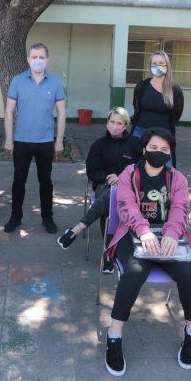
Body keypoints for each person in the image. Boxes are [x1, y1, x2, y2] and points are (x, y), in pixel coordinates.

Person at [103, 127, 191, 376]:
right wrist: (144, 231)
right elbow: (126, 206)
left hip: (168, 236)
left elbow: (180, 210)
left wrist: (170, 234)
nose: (159, 153)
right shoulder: (129, 174)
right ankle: (113, 336)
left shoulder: (177, 179)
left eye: (165, 150)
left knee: (189, 274)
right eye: (154, 148)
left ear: (170, 153)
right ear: (144, 149)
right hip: (134, 234)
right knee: (135, 272)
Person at [57, 107, 141, 273]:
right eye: (112, 122)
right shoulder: (99, 145)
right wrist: (107, 177)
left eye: (119, 123)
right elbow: (92, 171)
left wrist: (122, 178)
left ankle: (76, 230)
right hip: (104, 184)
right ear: (107, 123)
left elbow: (141, 168)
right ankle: (109, 254)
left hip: (130, 187)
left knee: (112, 199)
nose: (115, 126)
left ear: (125, 126)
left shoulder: (135, 145)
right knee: (110, 202)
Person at [3, 43, 66, 234]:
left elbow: (62, 112)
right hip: (22, 140)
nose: (38, 60)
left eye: (41, 57)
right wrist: (9, 139)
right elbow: (9, 111)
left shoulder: (55, 82)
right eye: (34, 57)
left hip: (46, 141)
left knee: (45, 181)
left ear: (47, 59)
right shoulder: (17, 80)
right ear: (28, 59)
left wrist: (59, 140)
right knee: (18, 181)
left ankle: (47, 217)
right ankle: (15, 217)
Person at [131, 50, 184, 167]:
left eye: (161, 62)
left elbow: (177, 114)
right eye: (154, 63)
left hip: (164, 135)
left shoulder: (174, 90)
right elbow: (136, 106)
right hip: (140, 132)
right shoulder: (142, 86)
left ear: (167, 65)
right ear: (150, 66)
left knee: (167, 169)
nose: (157, 66)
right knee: (135, 167)